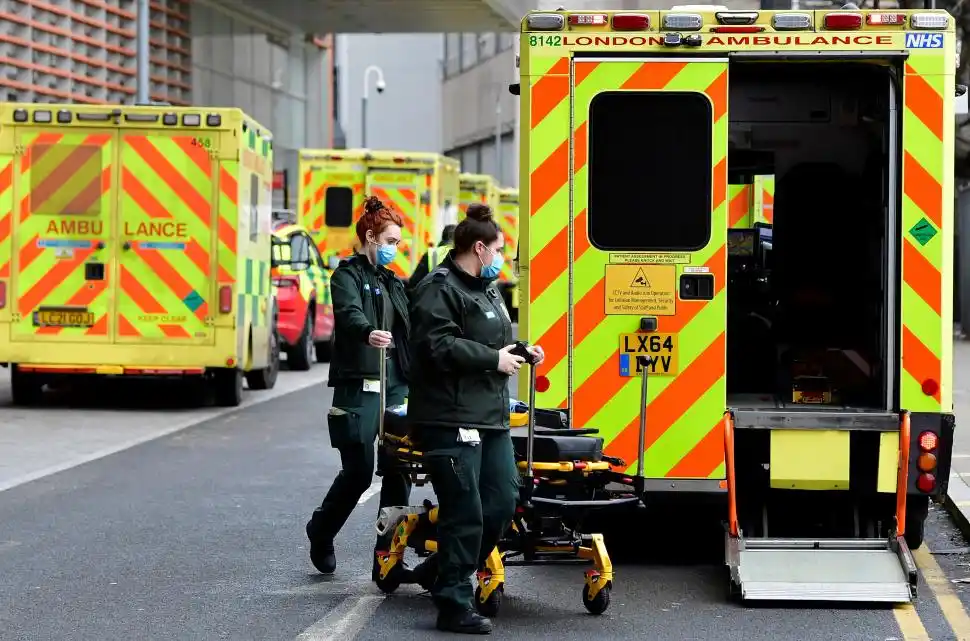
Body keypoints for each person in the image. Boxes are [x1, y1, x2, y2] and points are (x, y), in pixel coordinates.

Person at [407, 203, 544, 634]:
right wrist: (493, 359)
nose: (502, 258)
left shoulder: (486, 290)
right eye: (499, 250)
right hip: (449, 417)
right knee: (465, 510)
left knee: (503, 501)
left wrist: (520, 350)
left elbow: (492, 339)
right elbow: (436, 346)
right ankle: (452, 602)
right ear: (480, 248)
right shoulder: (438, 289)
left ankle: (440, 569)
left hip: (490, 418)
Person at [305, 195, 415, 583]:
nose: (394, 249)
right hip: (360, 387)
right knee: (359, 472)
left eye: (397, 243)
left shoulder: (393, 283)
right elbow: (350, 314)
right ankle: (321, 531)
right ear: (370, 237)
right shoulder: (346, 276)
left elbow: (413, 323)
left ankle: (389, 558)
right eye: (390, 241)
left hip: (396, 387)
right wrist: (368, 333)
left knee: (399, 470)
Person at [408, 224, 456, 294]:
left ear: (443, 237)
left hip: (431, 299)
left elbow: (414, 283)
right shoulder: (462, 255)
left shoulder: (432, 253)